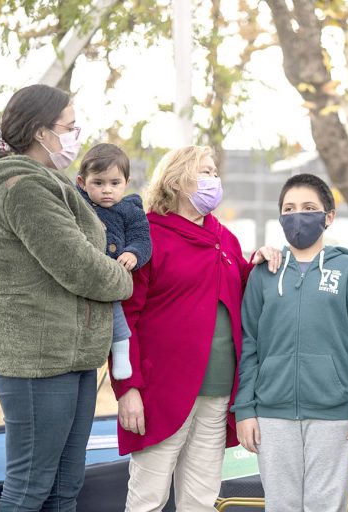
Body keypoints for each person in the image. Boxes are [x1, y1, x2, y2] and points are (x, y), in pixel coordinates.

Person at [0, 84, 134, 510]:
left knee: (64, 489)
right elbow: (80, 266)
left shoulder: (46, 182)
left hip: (71, 356)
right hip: (38, 359)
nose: (75, 135)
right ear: (40, 132)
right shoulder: (24, 188)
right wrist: (123, 279)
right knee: (29, 490)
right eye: (69, 127)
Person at [110, 146, 281, 511]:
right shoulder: (148, 237)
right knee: (147, 499)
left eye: (215, 172)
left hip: (217, 391)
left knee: (201, 500)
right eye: (204, 172)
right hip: (160, 392)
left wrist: (258, 261)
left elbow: (240, 290)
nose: (214, 180)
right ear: (176, 180)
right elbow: (125, 317)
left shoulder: (225, 238)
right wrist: (127, 388)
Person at [232, 174, 348, 512]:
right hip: (271, 412)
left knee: (326, 505)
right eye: (289, 209)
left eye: (308, 207)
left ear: (329, 216)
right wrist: (245, 409)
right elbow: (248, 344)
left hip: (335, 415)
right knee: (280, 505)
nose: (297, 215)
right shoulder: (263, 273)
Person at [75, 143, 151, 380]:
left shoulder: (131, 210)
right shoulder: (77, 203)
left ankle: (121, 354)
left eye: (115, 183)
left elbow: (142, 238)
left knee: (116, 313)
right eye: (98, 183)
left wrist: (133, 253)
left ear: (126, 183)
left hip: (110, 276)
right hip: (81, 272)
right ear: (82, 182)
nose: (107, 190)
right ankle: (6, 336)